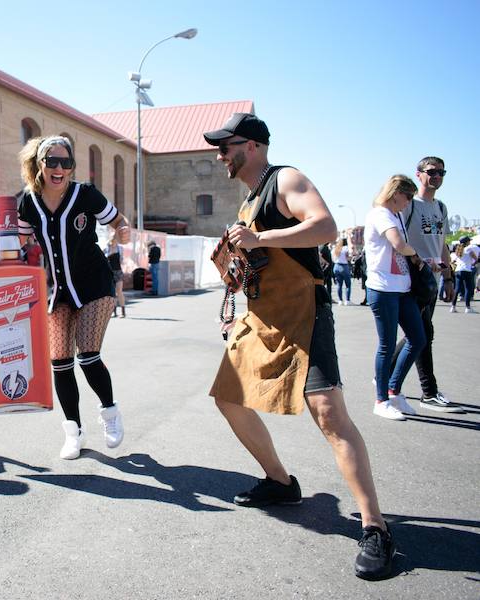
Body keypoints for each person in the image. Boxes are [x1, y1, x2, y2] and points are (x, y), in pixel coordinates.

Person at [203, 114, 395, 580]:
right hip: (261, 316)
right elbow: (257, 258)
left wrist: (259, 237)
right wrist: (235, 262)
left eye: (225, 147)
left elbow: (325, 227)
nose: (219, 155)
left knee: (329, 414)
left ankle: (375, 528)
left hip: (304, 312)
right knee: (229, 399)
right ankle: (281, 482)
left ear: (251, 146)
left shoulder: (284, 179)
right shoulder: (248, 200)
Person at [0, 135, 130, 460]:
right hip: (58, 291)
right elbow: (20, 243)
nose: (58, 168)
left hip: (95, 284)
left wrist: (121, 230)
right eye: (51, 161)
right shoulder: (28, 201)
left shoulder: (86, 195)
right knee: (60, 362)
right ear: (39, 165)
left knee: (88, 354)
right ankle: (73, 432)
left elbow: (118, 220)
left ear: (71, 167)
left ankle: (110, 414)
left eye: (65, 162)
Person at [389, 157, 462, 413]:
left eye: (442, 172)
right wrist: (416, 263)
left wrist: (449, 276)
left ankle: (387, 375)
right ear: (419, 174)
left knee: (418, 334)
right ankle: (428, 392)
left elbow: (441, 243)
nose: (437, 176)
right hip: (414, 279)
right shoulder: (410, 205)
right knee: (422, 335)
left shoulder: (441, 208)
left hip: (434, 280)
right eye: (432, 172)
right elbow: (396, 236)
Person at [363, 175, 427, 420]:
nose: (409, 202)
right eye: (407, 196)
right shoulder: (380, 214)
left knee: (418, 338)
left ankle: (394, 390)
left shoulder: (396, 215)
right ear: (395, 193)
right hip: (383, 289)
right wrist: (417, 255)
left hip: (402, 289)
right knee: (387, 345)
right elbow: (399, 244)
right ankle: (381, 400)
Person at [450, 235, 478, 313]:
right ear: (467, 242)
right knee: (468, 289)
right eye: (469, 241)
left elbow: (453, 261)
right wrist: (472, 264)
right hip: (467, 270)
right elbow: (476, 259)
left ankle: (453, 307)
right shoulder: (469, 249)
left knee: (457, 289)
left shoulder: (458, 249)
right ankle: (467, 308)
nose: (470, 242)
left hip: (458, 270)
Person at [107, 232, 126, 318]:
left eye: (115, 238)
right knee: (112, 293)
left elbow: (122, 260)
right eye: (113, 238)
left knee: (119, 291)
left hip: (118, 271)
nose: (114, 240)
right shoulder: (107, 248)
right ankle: (114, 312)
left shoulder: (120, 248)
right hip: (110, 272)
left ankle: (123, 311)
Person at [332, 237, 352, 305]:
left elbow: (333, 258)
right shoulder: (346, 248)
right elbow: (348, 258)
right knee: (348, 284)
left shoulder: (335, 248)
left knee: (339, 285)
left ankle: (340, 300)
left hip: (336, 266)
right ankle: (347, 300)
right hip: (344, 266)